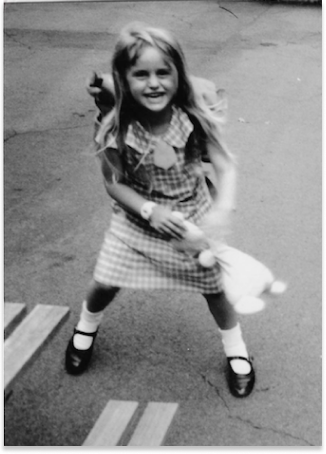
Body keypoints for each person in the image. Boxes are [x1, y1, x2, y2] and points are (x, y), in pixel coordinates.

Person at [65, 22, 255, 398]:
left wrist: (222, 209)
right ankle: (85, 327)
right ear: (123, 78)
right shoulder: (114, 126)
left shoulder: (193, 117)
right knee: (106, 280)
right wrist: (150, 210)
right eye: (141, 74)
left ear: (178, 75)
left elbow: (225, 164)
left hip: (191, 217)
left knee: (215, 287)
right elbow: (113, 183)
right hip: (137, 220)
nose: (154, 83)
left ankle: (236, 351)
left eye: (163, 72)